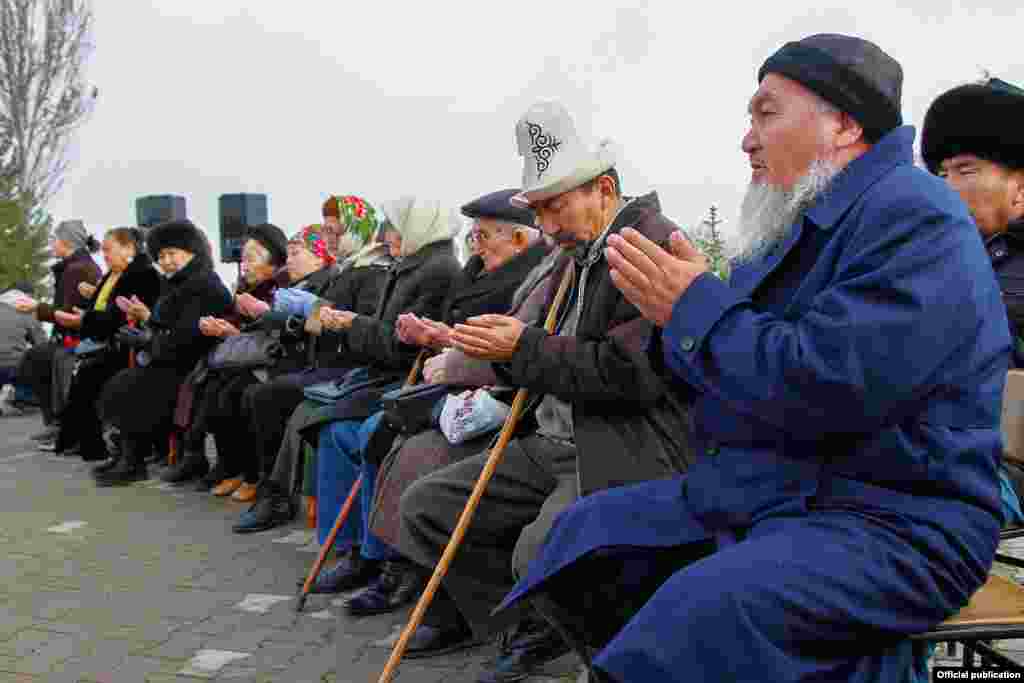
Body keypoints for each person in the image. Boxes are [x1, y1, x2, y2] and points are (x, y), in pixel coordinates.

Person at [494, 34, 1010, 683]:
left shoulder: (916, 217)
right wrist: (675, 318)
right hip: (780, 487)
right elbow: (725, 360)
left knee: (693, 618)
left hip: (896, 517)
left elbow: (831, 385)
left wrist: (694, 307)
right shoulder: (792, 226)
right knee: (584, 539)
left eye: (766, 113)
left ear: (844, 124)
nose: (747, 139)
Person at [395, 102, 693, 683]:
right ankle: (532, 625)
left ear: (603, 189)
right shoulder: (573, 255)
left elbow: (629, 373)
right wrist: (489, 350)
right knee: (428, 509)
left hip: (620, 444)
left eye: (556, 205)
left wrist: (520, 348)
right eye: (539, 210)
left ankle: (611, 661)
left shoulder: (646, 244)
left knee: (540, 554)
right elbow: (532, 348)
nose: (548, 226)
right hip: (551, 440)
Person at [302, 189, 549, 613]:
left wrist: (440, 342)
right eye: (473, 235)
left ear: (519, 239)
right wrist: (436, 337)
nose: (476, 245)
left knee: (384, 433)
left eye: (484, 235)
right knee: (347, 425)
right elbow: (459, 337)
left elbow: (513, 352)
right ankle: (365, 552)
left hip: (491, 399)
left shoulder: (501, 276)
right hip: (442, 382)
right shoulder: (471, 272)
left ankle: (398, 565)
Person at [921, 76, 1024, 524]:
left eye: (965, 170)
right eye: (940, 174)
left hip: (987, 473)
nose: (945, 187)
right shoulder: (939, 259)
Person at [94, 220, 232, 486]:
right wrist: (147, 332)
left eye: (172, 254)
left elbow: (189, 339)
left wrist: (149, 341)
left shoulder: (204, 285)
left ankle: (134, 461)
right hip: (174, 360)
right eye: (161, 256)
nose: (166, 261)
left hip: (196, 366)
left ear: (192, 252)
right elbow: (167, 328)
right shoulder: (179, 283)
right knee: (122, 381)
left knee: (132, 385)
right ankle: (127, 455)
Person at [158, 222, 289, 488]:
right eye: (243, 259)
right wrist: (221, 327)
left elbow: (275, 335)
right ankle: (222, 463)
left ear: (274, 261)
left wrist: (233, 331)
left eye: (252, 259)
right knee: (207, 385)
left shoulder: (279, 291)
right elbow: (233, 321)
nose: (245, 266)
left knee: (233, 393)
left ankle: (250, 472)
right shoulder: (246, 289)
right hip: (238, 359)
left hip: (267, 364)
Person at [52, 227, 162, 463]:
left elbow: (119, 317)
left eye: (108, 250)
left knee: (89, 375)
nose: (105, 255)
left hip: (128, 346)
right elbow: (103, 309)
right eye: (103, 251)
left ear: (128, 249)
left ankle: (93, 445)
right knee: (79, 372)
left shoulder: (142, 275)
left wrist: (84, 320)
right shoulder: (113, 275)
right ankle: (79, 441)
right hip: (105, 341)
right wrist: (86, 313)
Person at [15, 219, 101, 443]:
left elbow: (68, 312)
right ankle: (57, 423)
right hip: (77, 335)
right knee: (38, 357)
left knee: (36, 358)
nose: (51, 243)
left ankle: (58, 423)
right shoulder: (80, 266)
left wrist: (36, 307)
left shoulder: (76, 269)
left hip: (77, 339)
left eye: (54, 239)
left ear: (66, 242)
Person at [0, 282, 45, 416]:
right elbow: (41, 344)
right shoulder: (26, 309)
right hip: (12, 367)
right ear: (28, 295)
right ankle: (22, 398)